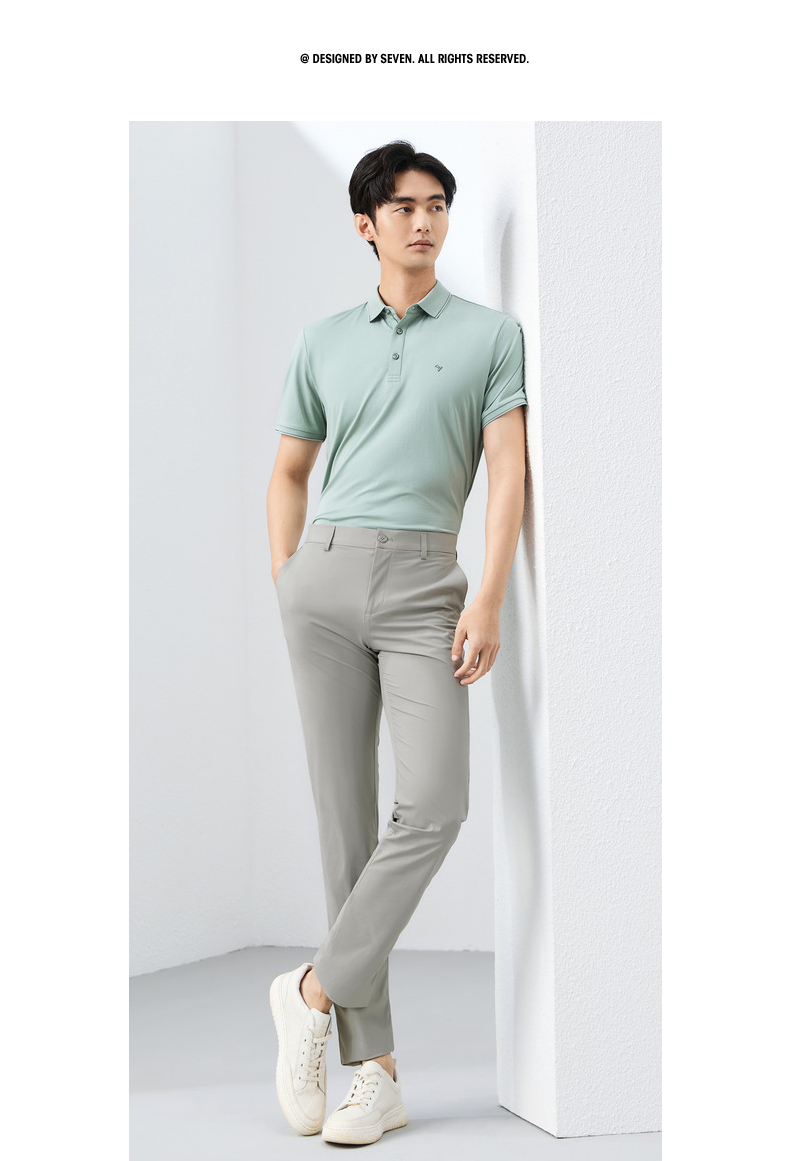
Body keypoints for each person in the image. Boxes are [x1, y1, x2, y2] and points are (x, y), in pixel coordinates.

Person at [267, 139, 527, 1146]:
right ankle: (373, 1075)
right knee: (345, 827)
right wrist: (288, 578)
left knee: (433, 804)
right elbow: (290, 471)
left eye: (437, 205)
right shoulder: (323, 340)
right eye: (404, 206)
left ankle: (311, 991)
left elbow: (506, 475)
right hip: (324, 581)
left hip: (427, 586)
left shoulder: (490, 336)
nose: (423, 221)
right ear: (365, 224)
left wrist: (488, 596)